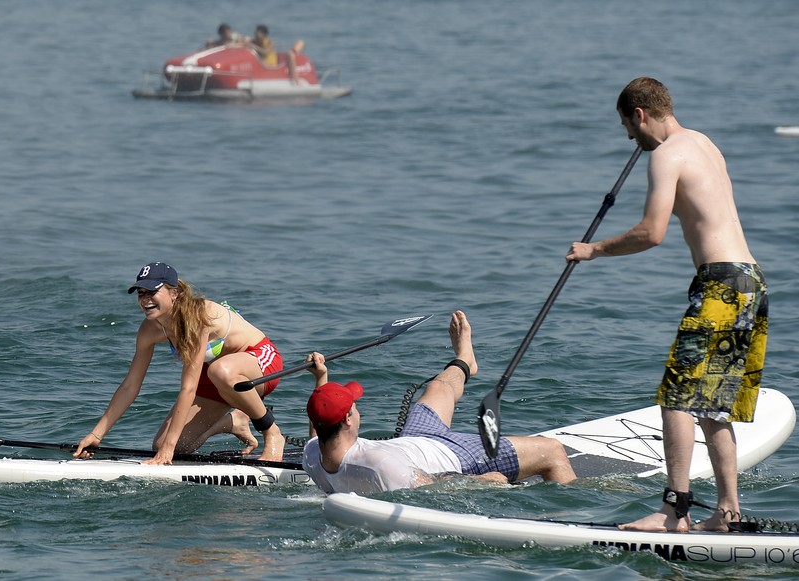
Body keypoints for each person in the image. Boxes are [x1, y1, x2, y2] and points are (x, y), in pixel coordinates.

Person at [566, 77, 768, 532]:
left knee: (677, 398)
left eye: (627, 125)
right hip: (751, 282)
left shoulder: (665, 155)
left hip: (719, 286)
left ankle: (674, 511)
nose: (629, 138)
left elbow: (651, 232)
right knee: (713, 407)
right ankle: (727, 513)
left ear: (639, 114)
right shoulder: (704, 144)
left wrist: (593, 250)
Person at [302, 310, 576, 495]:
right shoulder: (380, 467)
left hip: (417, 439)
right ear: (349, 419)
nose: (358, 408)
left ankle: (465, 360)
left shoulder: (313, 454)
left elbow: (319, 425)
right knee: (552, 450)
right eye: (354, 405)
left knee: (439, 386)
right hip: (456, 457)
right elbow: (434, 487)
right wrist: (483, 482)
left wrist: (321, 380)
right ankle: (576, 517)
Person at [74, 262, 286, 464]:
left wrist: (169, 448)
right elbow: (130, 385)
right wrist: (96, 434)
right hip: (216, 375)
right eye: (141, 293)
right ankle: (234, 422)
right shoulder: (148, 330)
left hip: (259, 362)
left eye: (152, 292)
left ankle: (272, 432)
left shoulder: (197, 317)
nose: (145, 299)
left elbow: (188, 388)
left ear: (174, 293)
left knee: (220, 371)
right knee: (165, 445)